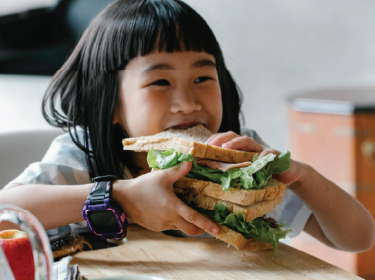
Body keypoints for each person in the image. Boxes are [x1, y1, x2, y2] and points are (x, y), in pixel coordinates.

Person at [1, 0, 374, 252]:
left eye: (203, 79)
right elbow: (7, 211)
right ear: (110, 103)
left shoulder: (237, 161)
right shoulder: (83, 156)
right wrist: (120, 196)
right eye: (160, 83)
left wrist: (301, 176)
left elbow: (357, 238)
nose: (188, 103)